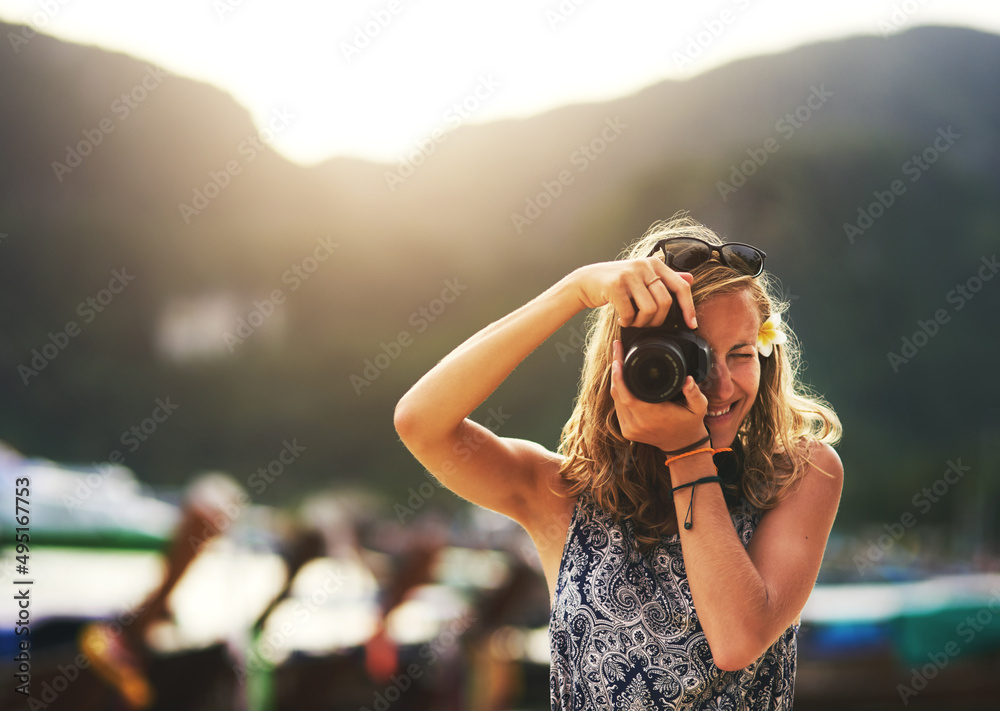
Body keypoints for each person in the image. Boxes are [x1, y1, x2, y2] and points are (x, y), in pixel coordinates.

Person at [394, 215, 843, 709]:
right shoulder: (563, 496)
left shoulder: (800, 473)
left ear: (766, 354)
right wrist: (575, 290)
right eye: (692, 356)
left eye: (739, 353)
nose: (716, 385)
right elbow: (420, 422)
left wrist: (687, 452)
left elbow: (737, 639)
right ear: (629, 358)